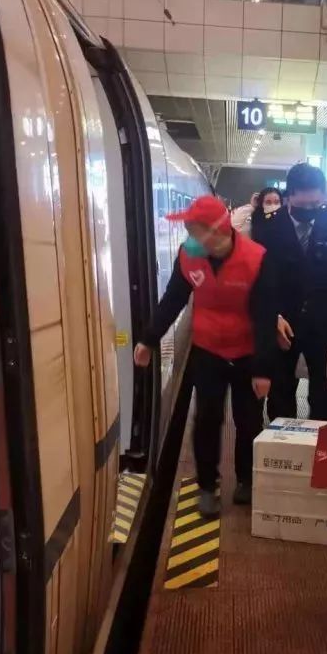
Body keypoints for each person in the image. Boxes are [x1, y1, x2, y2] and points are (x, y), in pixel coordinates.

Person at [133, 196, 277, 518]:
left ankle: (246, 479)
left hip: (246, 352)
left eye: (193, 231)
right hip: (208, 350)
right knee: (207, 420)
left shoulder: (256, 259)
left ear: (216, 231)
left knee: (248, 419)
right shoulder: (189, 257)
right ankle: (207, 486)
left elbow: (265, 316)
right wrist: (149, 339)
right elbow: (173, 299)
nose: (188, 239)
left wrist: (263, 370)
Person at [267, 163, 327, 421]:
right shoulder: (270, 225)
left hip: (323, 317)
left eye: (315, 204)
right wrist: (271, 315)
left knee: (323, 391)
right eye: (303, 205)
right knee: (280, 388)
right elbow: (260, 276)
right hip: (282, 320)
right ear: (289, 197)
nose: (310, 210)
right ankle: (281, 438)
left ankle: (320, 441)